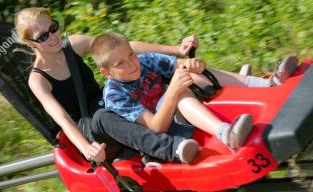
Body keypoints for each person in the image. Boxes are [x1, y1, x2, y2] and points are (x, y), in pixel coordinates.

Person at [15, 7, 204, 164]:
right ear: (29, 42)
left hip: (108, 105)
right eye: (42, 37)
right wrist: (86, 148)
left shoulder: (72, 44)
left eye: (53, 28)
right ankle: (171, 148)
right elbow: (62, 118)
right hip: (93, 131)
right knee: (104, 115)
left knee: (135, 71)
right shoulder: (38, 79)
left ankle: (207, 104)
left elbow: (118, 48)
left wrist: (177, 50)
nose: (53, 37)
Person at [90, 32, 298, 163]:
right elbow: (155, 127)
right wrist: (172, 90)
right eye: (121, 64)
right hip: (164, 135)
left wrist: (194, 65)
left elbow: (182, 67)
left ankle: (266, 85)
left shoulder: (144, 61)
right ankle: (226, 134)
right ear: (106, 72)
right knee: (180, 91)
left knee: (192, 74)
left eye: (131, 55)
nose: (132, 64)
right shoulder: (114, 96)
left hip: (182, 112)